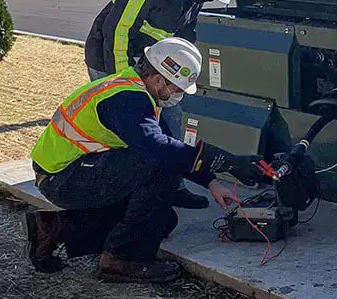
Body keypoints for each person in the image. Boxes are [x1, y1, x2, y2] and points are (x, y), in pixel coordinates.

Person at [26, 37, 263, 283]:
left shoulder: (135, 88)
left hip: (72, 172)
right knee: (161, 167)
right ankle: (122, 260)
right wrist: (224, 161)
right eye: (178, 88)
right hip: (62, 179)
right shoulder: (127, 99)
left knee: (162, 221)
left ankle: (55, 228)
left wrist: (210, 181)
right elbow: (159, 150)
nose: (179, 95)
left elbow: (168, 144)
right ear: (159, 79)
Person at [84, 0, 238, 209]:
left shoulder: (193, 0)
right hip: (109, 58)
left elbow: (184, 40)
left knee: (172, 120)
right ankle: (123, 191)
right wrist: (124, 85)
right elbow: (118, 32)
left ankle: (174, 187)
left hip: (152, 66)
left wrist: (181, 79)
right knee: (128, 127)